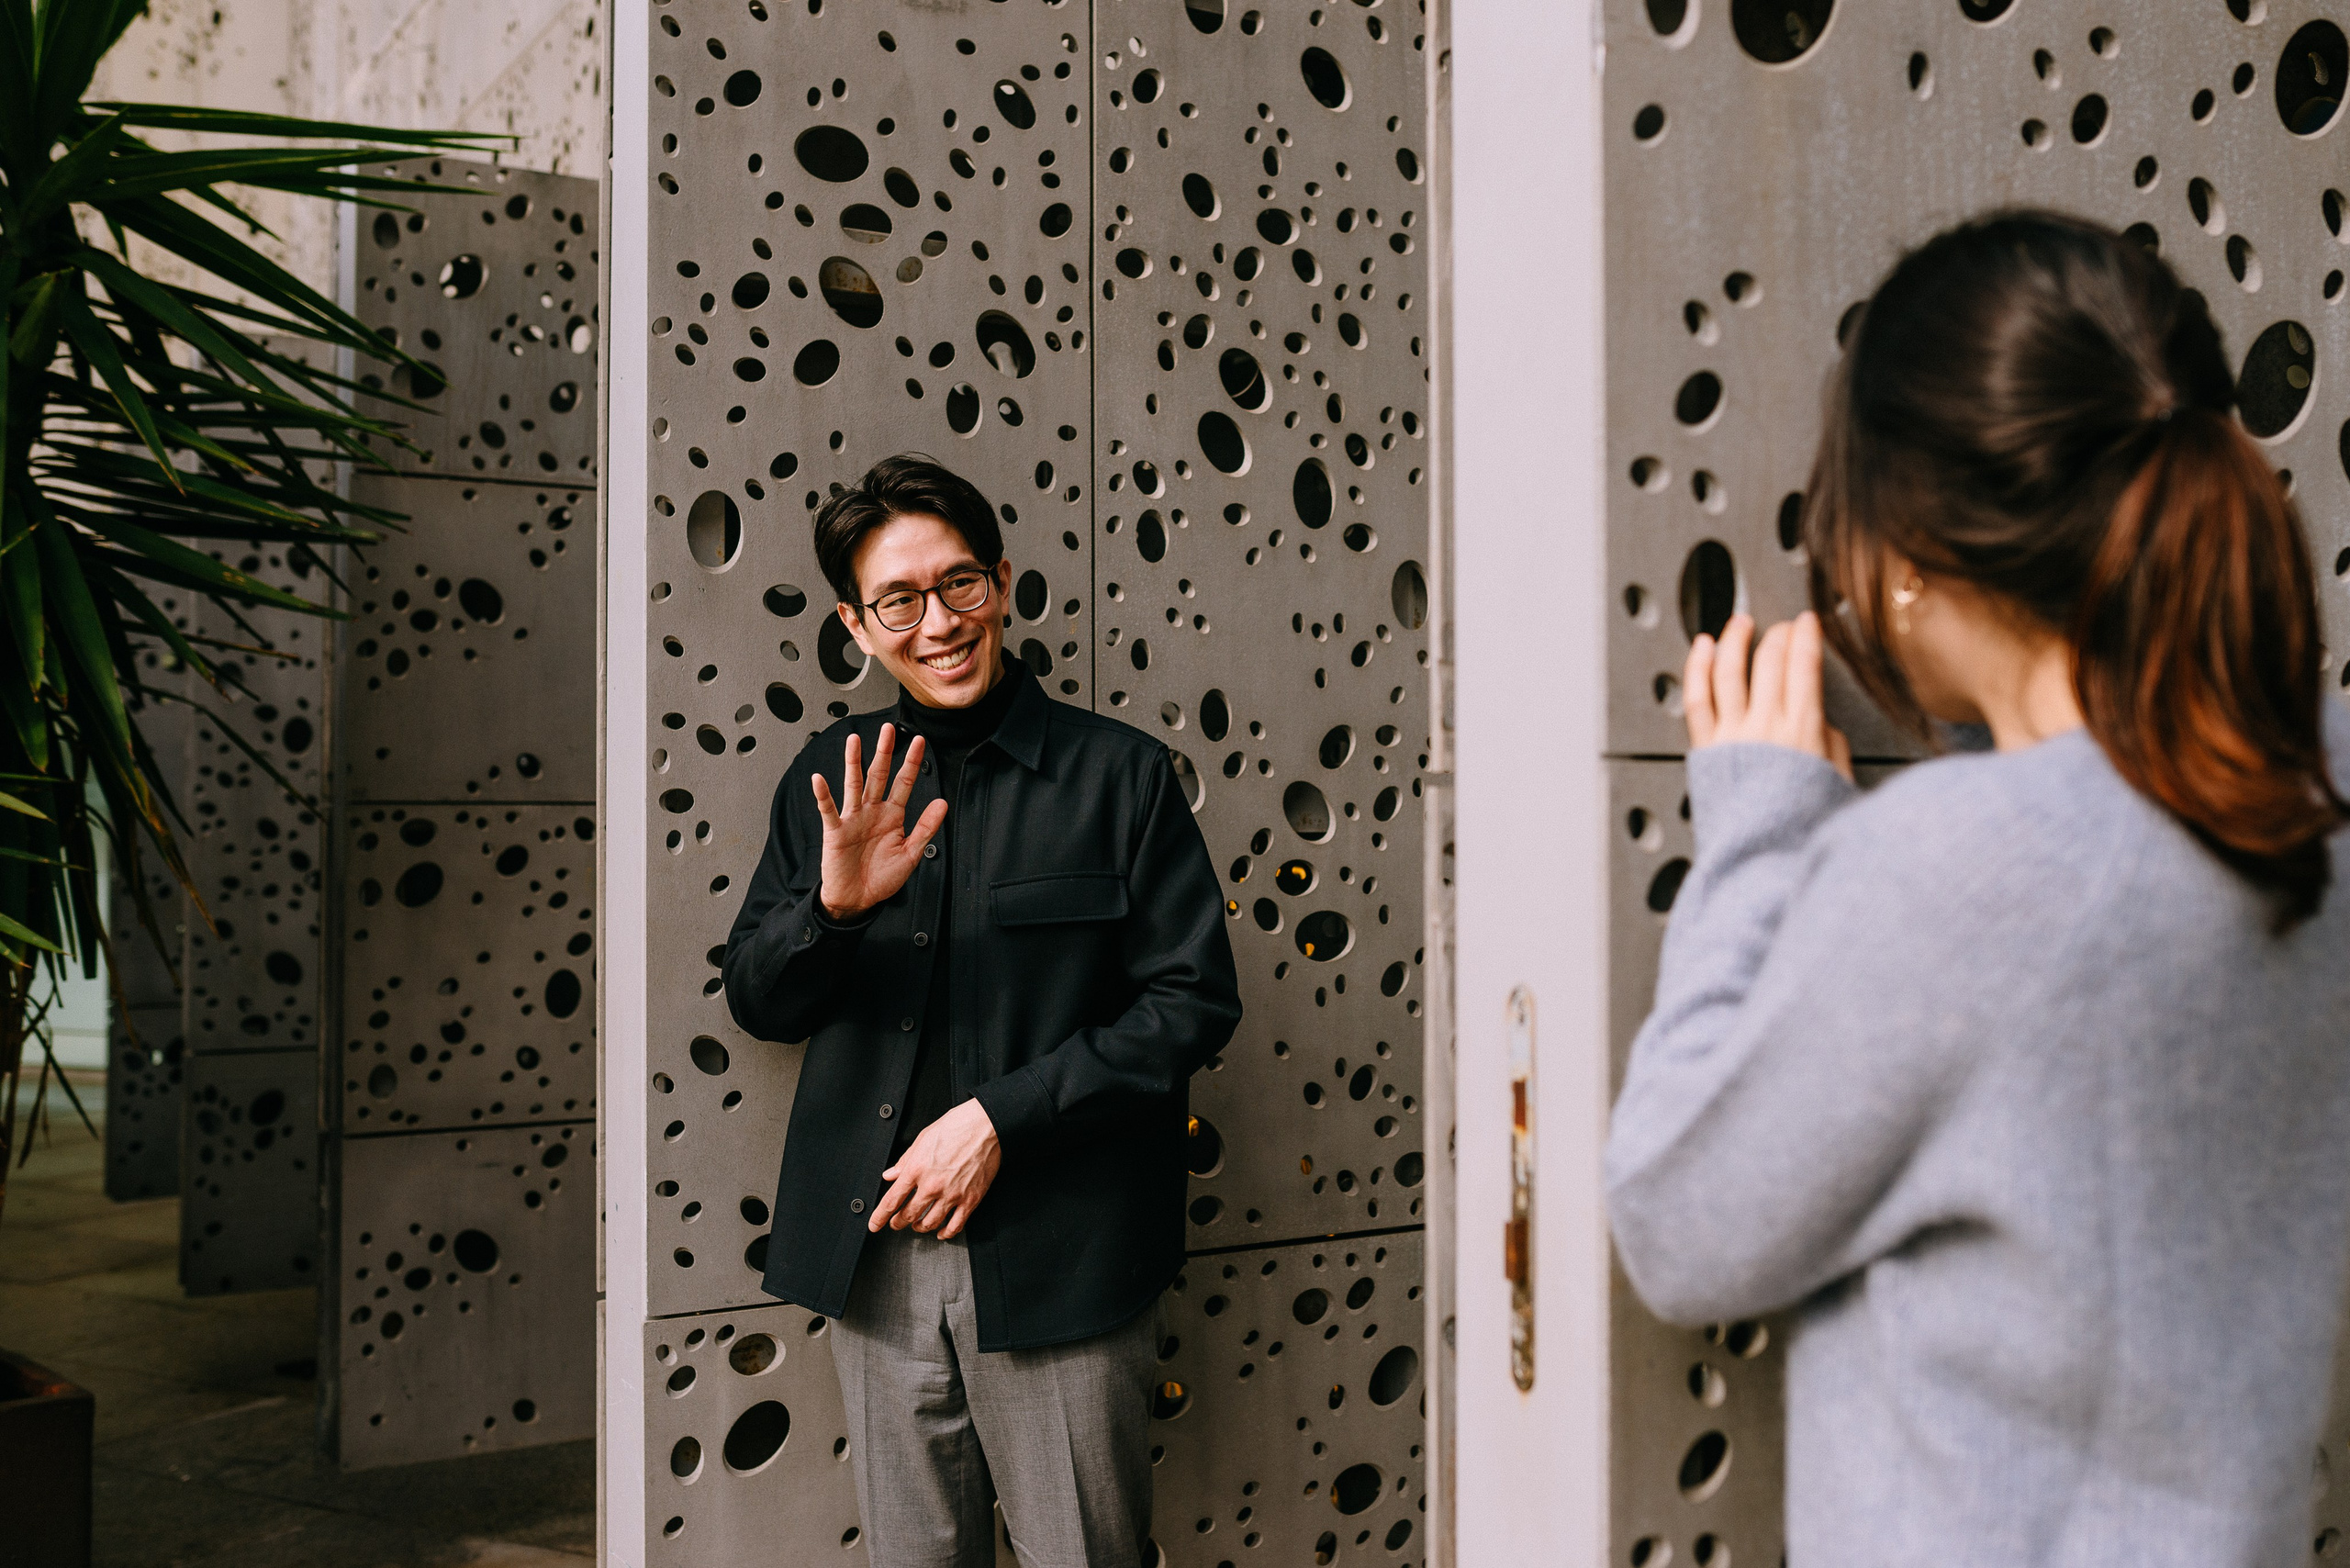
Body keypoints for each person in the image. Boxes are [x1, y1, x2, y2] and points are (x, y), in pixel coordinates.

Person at [1606, 210, 2350, 1565]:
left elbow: (1677, 1220)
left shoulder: (1969, 870)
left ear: (1902, 554)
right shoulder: (2316, 781)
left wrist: (1762, 834)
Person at [722, 454, 1241, 1568]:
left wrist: (1002, 1117)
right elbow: (759, 1000)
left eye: (958, 585)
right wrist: (834, 909)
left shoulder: (1124, 778)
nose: (938, 623)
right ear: (858, 626)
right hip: (876, 1260)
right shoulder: (827, 780)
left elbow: (1193, 1002)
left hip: (1067, 1261)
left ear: (1001, 582)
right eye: (898, 601)